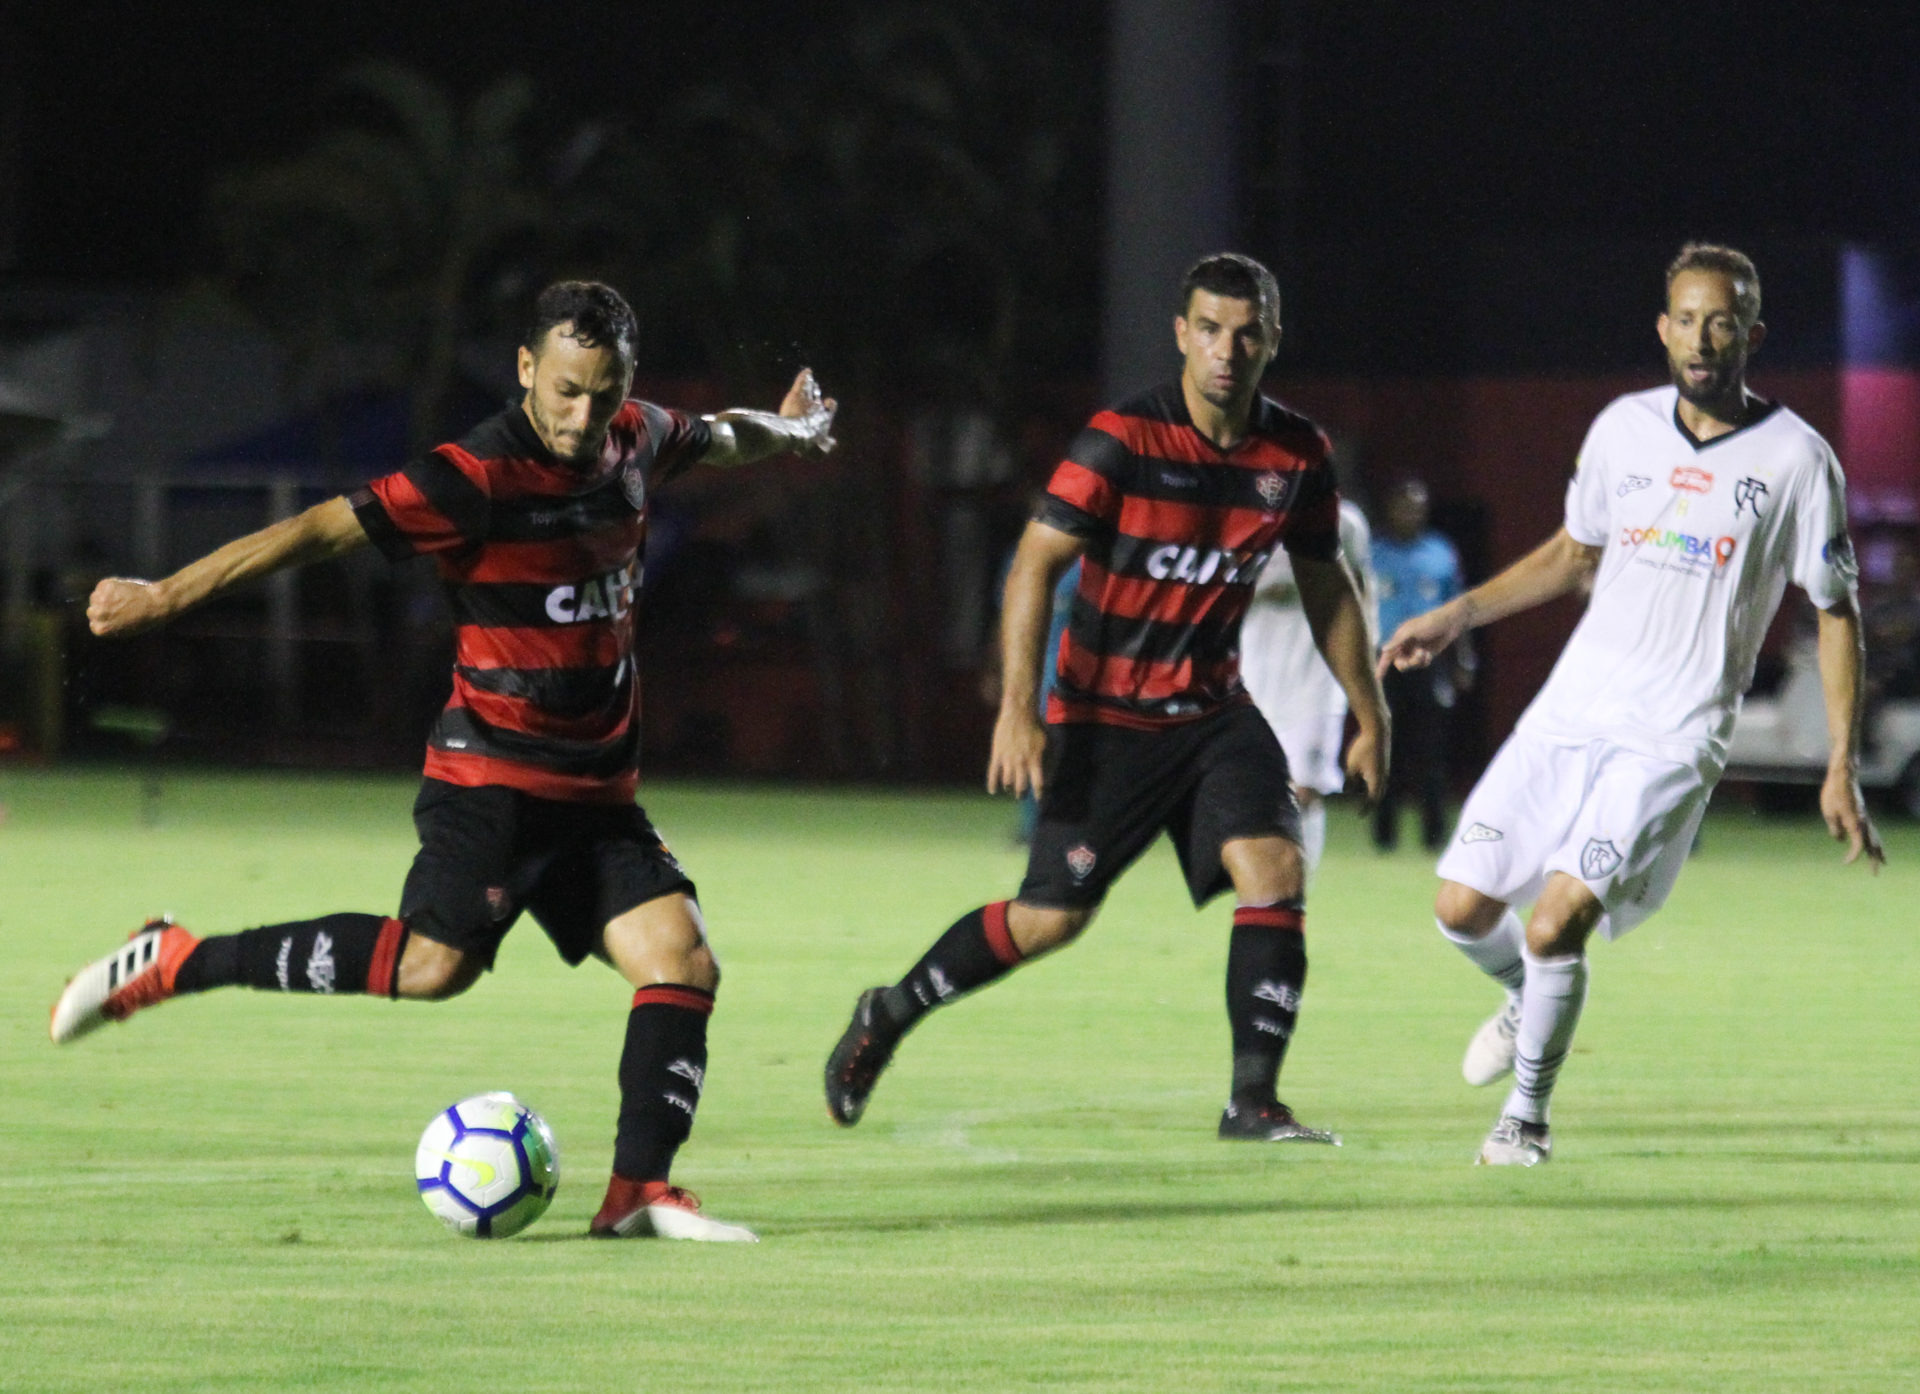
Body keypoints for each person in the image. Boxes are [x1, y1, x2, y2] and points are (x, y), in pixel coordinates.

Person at [53, 281, 837, 1239]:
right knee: (432, 968)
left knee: (683, 961)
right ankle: (180, 960)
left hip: (596, 793)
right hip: (491, 781)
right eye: (565, 391)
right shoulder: (474, 476)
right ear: (526, 369)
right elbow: (315, 531)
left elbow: (722, 435)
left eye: (603, 394)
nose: (582, 416)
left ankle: (637, 1193)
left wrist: (791, 432)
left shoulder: (635, 437)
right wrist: (166, 594)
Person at [825, 253, 1389, 1143]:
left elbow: (1327, 584)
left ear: (1273, 341)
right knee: (1051, 920)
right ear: (1182, 335)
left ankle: (1253, 1102)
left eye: (1247, 334)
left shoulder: (1297, 455)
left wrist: (1371, 710)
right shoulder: (1121, 441)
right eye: (1210, 330)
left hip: (1214, 714)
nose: (1227, 351)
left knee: (1277, 871)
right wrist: (1019, 707)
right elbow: (1034, 564)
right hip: (1105, 721)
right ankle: (888, 1012)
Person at [1379, 244, 1885, 1167]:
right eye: (1686, 320)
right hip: (1572, 710)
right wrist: (1456, 615)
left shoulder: (1797, 460)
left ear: (1753, 336)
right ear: (1663, 329)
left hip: (1673, 734)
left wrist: (1840, 761)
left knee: (1554, 923)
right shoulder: (1621, 428)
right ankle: (1525, 1000)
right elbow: (1573, 553)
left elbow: (1835, 611)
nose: (1702, 339)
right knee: (1459, 908)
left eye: (1722, 322)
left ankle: (1525, 1120)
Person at [1241, 497, 1377, 878]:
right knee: (1258, 792)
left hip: (1319, 675)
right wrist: (1263, 591)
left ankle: (1296, 891)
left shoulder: (1344, 522)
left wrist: (1366, 654)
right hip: (1254, 672)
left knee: (1304, 790)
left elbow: (1361, 588)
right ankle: (1266, 883)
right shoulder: (1241, 515)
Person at [1369, 478, 1473, 851]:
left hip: (1429, 662)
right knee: (1385, 749)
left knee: (1431, 751)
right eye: (1404, 507)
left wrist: (1464, 659)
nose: (1411, 514)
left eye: (1417, 508)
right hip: (1385, 661)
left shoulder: (1440, 552)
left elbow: (1458, 608)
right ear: (1390, 509)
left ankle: (1434, 836)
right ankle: (1384, 836)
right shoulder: (1372, 553)